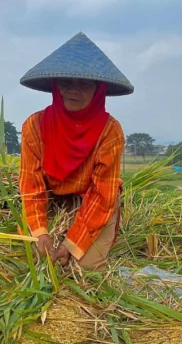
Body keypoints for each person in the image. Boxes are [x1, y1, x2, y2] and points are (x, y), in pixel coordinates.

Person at [18, 32, 134, 270]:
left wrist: (71, 244)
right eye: (66, 83)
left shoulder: (109, 132)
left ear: (98, 89)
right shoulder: (35, 125)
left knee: (87, 268)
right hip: (52, 196)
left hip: (90, 200)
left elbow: (102, 195)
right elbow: (31, 185)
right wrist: (40, 233)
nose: (73, 90)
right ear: (55, 86)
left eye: (84, 83)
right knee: (32, 257)